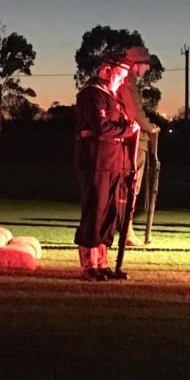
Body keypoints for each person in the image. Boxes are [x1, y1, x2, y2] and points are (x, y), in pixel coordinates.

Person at [74, 54, 139, 281]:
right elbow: (101, 128)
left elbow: (117, 126)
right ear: (107, 70)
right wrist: (127, 130)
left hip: (115, 162)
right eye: (120, 75)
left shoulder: (114, 98)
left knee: (110, 214)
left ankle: (102, 263)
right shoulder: (91, 94)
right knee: (95, 210)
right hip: (96, 162)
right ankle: (88, 265)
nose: (122, 81)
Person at [119, 45, 160, 246]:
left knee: (129, 186)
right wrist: (150, 127)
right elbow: (134, 112)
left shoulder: (129, 81)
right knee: (131, 185)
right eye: (145, 64)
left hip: (131, 137)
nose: (147, 69)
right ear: (136, 65)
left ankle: (127, 228)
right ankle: (126, 230)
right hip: (133, 139)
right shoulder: (129, 82)